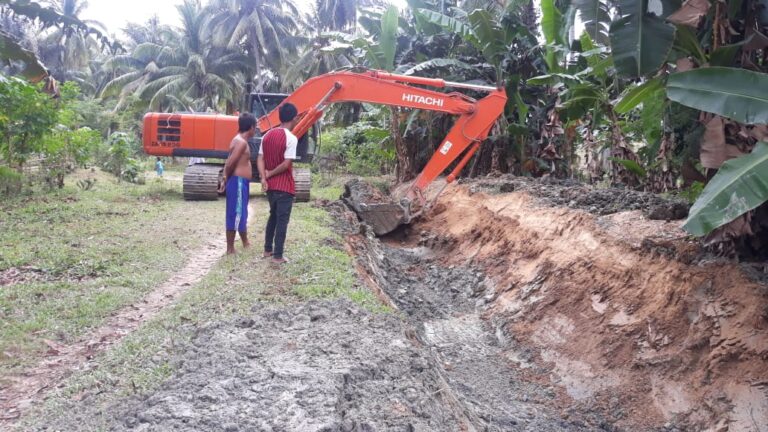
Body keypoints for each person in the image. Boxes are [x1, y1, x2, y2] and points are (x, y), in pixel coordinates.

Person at [258, 103, 299, 264]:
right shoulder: (291, 138)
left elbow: (260, 158)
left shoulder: (266, 135)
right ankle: (278, 255)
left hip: (270, 187)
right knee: (282, 220)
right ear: (294, 118)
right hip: (284, 186)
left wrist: (263, 177)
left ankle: (267, 250)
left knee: (273, 217)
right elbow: (286, 164)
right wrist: (270, 173)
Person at [219, 113, 257, 255]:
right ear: (251, 127)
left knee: (241, 212)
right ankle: (230, 248)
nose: (256, 130)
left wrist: (224, 179)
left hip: (240, 182)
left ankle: (245, 242)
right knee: (236, 213)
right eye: (255, 127)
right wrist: (225, 179)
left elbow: (229, 161)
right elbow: (230, 163)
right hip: (238, 182)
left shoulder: (238, 140)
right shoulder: (241, 142)